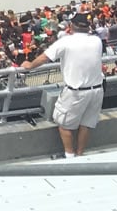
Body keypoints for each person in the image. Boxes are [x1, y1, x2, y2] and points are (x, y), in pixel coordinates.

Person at [22, 14, 105, 157]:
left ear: (71, 26)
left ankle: (70, 157)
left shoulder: (66, 42)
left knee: (63, 123)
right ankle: (80, 155)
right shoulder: (96, 41)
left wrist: (30, 65)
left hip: (76, 91)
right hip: (97, 89)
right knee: (86, 124)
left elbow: (44, 58)